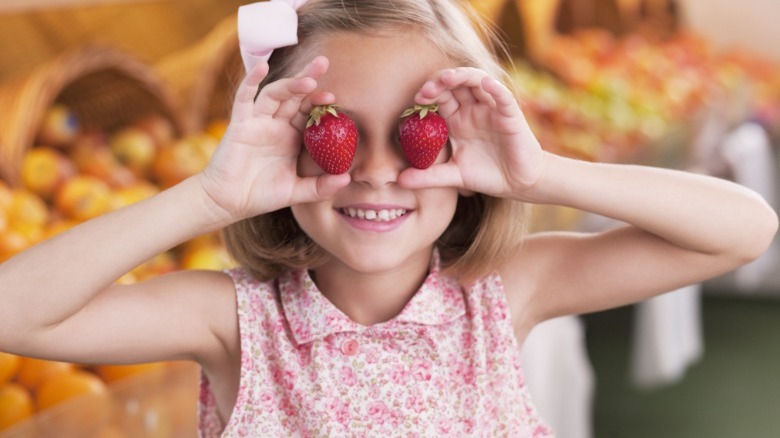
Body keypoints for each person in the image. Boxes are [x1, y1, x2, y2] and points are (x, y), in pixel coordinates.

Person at [0, 0, 776, 436]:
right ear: (288, 146)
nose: (373, 169)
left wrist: (538, 173)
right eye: (333, 136)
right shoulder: (236, 321)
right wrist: (206, 197)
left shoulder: (504, 291)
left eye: (418, 129)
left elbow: (746, 229)